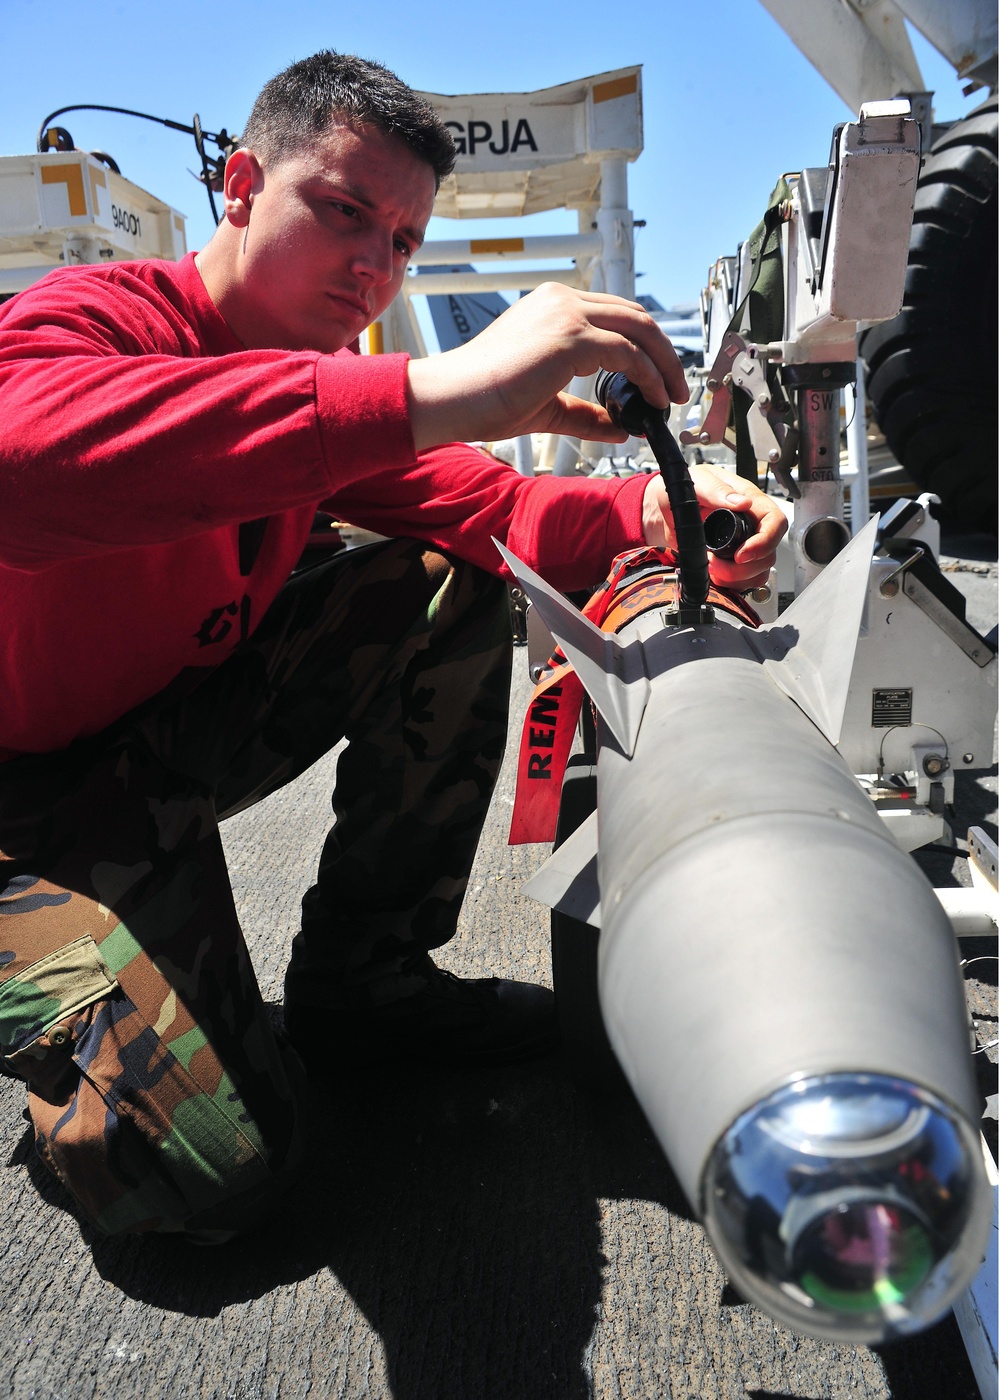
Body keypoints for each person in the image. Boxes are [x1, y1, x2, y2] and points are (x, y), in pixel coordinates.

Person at [0, 51, 786, 1242]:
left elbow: (505, 511)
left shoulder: (321, 383)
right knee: (215, 1179)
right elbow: (23, 464)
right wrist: (434, 387)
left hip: (150, 745)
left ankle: (365, 985)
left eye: (405, 240)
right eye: (343, 211)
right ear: (240, 184)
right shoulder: (93, 319)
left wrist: (663, 512)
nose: (375, 265)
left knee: (446, 581)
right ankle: (67, 1000)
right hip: (20, 807)